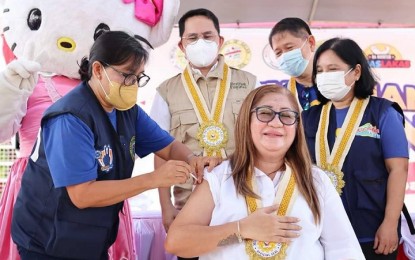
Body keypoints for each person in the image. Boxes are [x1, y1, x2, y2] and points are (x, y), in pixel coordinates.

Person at [11, 31, 220, 260]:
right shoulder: (70, 118)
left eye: (139, 77)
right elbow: (82, 194)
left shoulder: (126, 111)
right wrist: (154, 179)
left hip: (91, 237)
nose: (133, 85)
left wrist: (192, 159)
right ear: (99, 70)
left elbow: (168, 147)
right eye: (127, 76)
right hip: (48, 237)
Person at [165, 85, 365, 260]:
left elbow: (344, 250)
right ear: (246, 120)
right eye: (265, 113)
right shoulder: (220, 177)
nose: (276, 123)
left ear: (297, 127)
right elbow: (176, 242)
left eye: (287, 116)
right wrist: (241, 230)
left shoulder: (317, 181)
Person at [149, 7, 257, 252]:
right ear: (181, 45)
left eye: (208, 37)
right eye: (193, 38)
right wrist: (166, 208)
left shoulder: (250, 83)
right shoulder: (166, 91)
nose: (201, 42)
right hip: (189, 205)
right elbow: (160, 151)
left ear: (220, 41)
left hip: (241, 199)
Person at [302, 37, 409, 259]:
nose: (324, 76)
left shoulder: (383, 113)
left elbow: (398, 170)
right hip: (320, 232)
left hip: (370, 230)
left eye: (333, 69)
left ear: (356, 72)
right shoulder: (308, 118)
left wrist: (390, 223)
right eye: (320, 71)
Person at [268, 17, 320, 111]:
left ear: (311, 43)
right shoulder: (282, 95)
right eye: (278, 53)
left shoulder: (339, 85)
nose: (284, 56)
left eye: (289, 48)